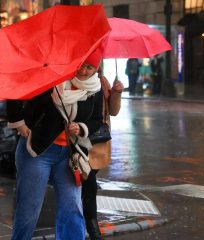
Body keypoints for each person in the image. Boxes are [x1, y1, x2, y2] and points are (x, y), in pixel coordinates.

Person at [7, 49, 104, 240]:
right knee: (29, 209)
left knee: (72, 208)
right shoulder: (52, 76)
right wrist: (19, 124)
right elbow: (15, 91)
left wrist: (81, 127)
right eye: (82, 65)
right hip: (37, 150)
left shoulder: (95, 89)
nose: (84, 71)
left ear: (96, 69)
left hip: (70, 155)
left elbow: (97, 120)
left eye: (90, 68)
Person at [82, 67, 124, 240]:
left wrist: (116, 93)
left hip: (97, 141)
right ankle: (92, 228)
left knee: (87, 182)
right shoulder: (75, 81)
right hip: (79, 139)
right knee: (89, 183)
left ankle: (85, 222)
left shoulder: (102, 81)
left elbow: (113, 111)